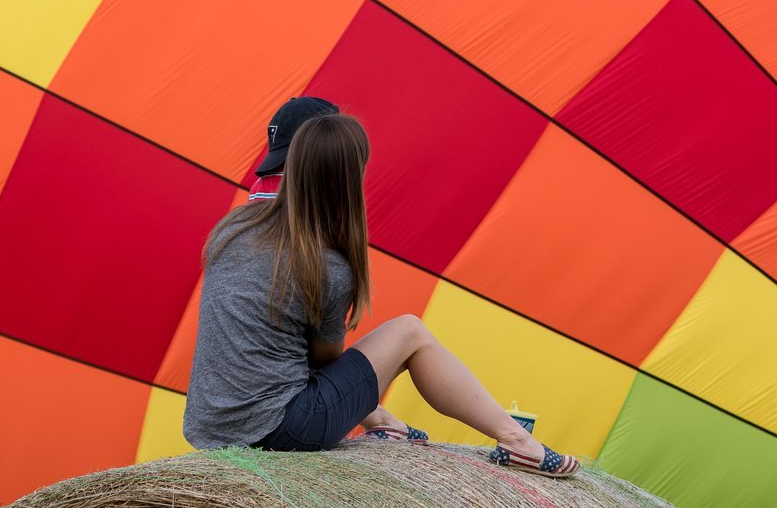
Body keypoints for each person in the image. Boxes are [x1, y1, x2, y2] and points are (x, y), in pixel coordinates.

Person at [184, 109, 578, 476]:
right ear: (348, 180)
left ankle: (386, 424)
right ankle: (516, 438)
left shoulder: (231, 230)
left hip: (212, 425)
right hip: (282, 431)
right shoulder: (326, 265)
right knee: (410, 332)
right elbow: (326, 359)